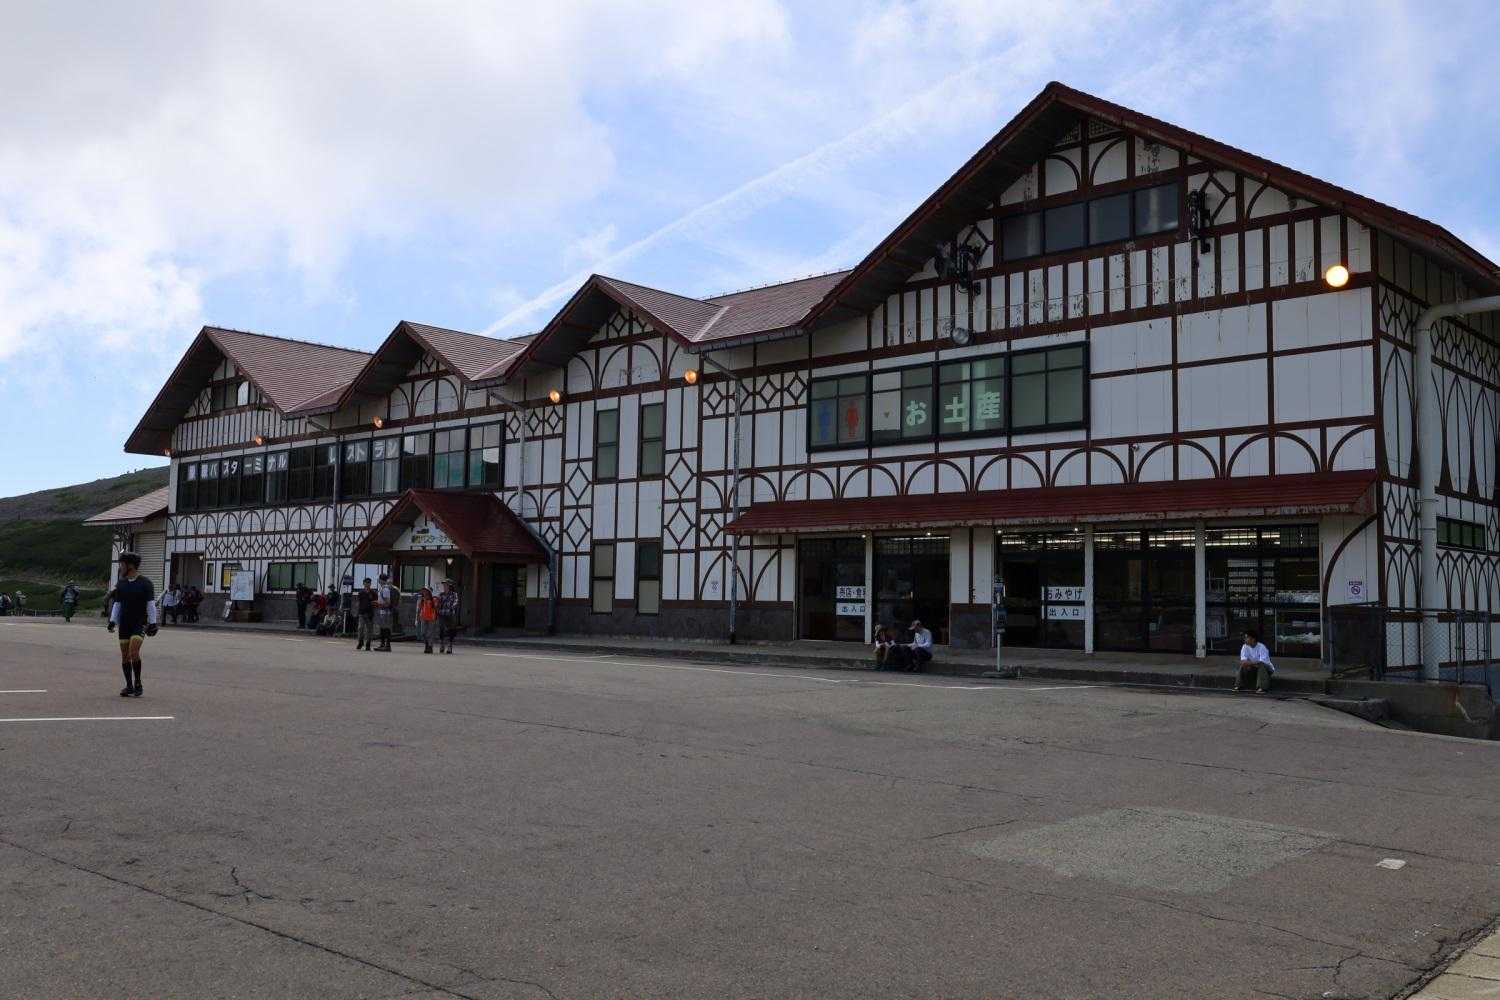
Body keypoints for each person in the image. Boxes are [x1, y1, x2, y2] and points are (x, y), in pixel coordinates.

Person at [106, 551, 157, 697]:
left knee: (133, 652)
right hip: (124, 623)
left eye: (122, 564)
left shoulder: (145, 583)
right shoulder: (121, 584)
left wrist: (153, 623)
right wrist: (112, 621)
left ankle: (138, 683)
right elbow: (117, 604)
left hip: (139, 622)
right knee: (124, 655)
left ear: (131, 566)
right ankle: (129, 686)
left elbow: (150, 604)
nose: (120, 568)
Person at [1235, 628, 1275, 694]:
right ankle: (1239, 685)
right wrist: (1252, 663)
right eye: (1245, 638)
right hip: (1254, 668)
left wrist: (1249, 663)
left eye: (1247, 638)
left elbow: (1262, 662)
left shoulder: (1262, 647)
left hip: (1267, 669)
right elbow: (1243, 661)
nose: (1245, 639)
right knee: (1243, 666)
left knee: (1261, 665)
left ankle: (1262, 688)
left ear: (1253, 639)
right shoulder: (1245, 647)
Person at [436, 579, 461, 654]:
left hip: (450, 614)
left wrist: (452, 607)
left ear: (450, 586)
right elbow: (437, 603)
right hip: (442, 613)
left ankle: (450, 645)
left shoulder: (454, 594)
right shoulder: (441, 594)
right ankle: (442, 644)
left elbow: (456, 602)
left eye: (446, 585)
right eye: (444, 585)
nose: (444, 586)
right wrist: (437, 607)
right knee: (441, 629)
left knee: (451, 630)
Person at [374, 573, 396, 651]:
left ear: (381, 580)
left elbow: (388, 602)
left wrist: (378, 604)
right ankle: (382, 644)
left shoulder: (385, 589)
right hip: (382, 611)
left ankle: (387, 645)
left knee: (386, 629)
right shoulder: (382, 588)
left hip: (385, 612)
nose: (378, 580)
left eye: (379, 579)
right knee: (382, 629)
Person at [354, 578, 376, 651]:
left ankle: (368, 644)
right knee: (360, 628)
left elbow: (376, 602)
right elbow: (358, 602)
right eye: (366, 583)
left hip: (369, 613)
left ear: (370, 584)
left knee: (369, 629)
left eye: (369, 583)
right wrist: (357, 611)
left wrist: (373, 607)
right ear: (363, 584)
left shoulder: (373, 593)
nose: (367, 584)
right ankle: (360, 642)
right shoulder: (361, 593)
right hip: (362, 613)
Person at [416, 586, 438, 654]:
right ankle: (427, 644)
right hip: (423, 618)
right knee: (423, 632)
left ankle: (430, 646)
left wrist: (429, 601)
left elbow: (436, 607)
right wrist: (417, 618)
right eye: (423, 591)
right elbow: (419, 609)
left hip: (431, 618)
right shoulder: (422, 600)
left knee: (430, 633)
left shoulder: (434, 599)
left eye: (425, 591)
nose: (424, 592)